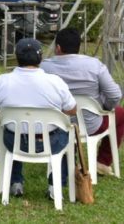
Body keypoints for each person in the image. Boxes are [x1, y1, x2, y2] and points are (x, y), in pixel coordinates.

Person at [0, 38, 76, 199]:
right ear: (41, 58)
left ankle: (15, 183)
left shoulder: (2, 81)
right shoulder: (55, 82)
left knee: (11, 129)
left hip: (14, 141)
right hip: (51, 142)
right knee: (67, 134)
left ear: (16, 57)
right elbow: (71, 110)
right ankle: (54, 187)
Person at [41, 28, 124, 175]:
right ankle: (103, 162)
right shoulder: (95, 65)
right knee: (121, 113)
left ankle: (68, 157)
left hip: (54, 125)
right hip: (91, 125)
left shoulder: (44, 67)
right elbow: (115, 95)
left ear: (58, 48)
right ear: (78, 47)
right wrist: (105, 108)